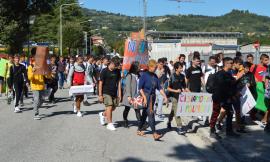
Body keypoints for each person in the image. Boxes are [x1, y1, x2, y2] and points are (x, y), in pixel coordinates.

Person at [209, 57, 243, 139]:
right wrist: (233, 94)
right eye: (231, 63)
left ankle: (229, 131)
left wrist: (235, 93)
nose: (232, 64)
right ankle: (212, 131)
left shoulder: (228, 73)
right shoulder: (221, 74)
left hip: (226, 97)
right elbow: (223, 87)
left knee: (230, 113)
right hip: (219, 98)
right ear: (226, 64)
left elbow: (231, 85)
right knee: (215, 113)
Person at [137, 59, 168, 141]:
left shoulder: (155, 76)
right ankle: (154, 133)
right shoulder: (144, 75)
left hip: (152, 98)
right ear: (149, 67)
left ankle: (139, 130)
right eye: (154, 67)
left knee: (144, 115)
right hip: (146, 97)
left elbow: (159, 88)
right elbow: (140, 88)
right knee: (151, 114)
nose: (155, 69)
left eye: (156, 67)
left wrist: (165, 96)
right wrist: (144, 97)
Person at [98, 57, 121, 131]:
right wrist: (100, 95)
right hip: (106, 92)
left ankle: (102, 114)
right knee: (110, 106)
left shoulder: (117, 71)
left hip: (114, 92)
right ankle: (109, 124)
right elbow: (100, 83)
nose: (116, 67)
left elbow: (119, 83)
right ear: (111, 63)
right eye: (115, 66)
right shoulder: (104, 71)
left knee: (113, 108)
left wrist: (120, 94)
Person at [167, 62, 189, 135]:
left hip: (180, 96)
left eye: (182, 67)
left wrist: (189, 92)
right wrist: (176, 91)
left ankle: (169, 121)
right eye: (180, 68)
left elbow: (184, 87)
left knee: (173, 111)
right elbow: (168, 88)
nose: (181, 69)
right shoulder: (172, 76)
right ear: (176, 68)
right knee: (177, 112)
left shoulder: (182, 76)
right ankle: (179, 128)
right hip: (173, 96)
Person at [28, 51, 48, 120]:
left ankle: (35, 107)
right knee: (36, 99)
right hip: (34, 86)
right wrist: (33, 71)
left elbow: (46, 76)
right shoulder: (30, 66)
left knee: (42, 100)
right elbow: (29, 78)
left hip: (41, 85)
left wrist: (47, 73)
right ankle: (36, 113)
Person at [122, 61, 142, 128]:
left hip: (137, 96)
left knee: (137, 110)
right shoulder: (129, 75)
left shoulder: (139, 75)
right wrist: (129, 96)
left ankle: (140, 124)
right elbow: (127, 86)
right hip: (129, 96)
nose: (140, 67)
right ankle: (125, 120)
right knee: (127, 109)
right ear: (135, 67)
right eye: (139, 66)